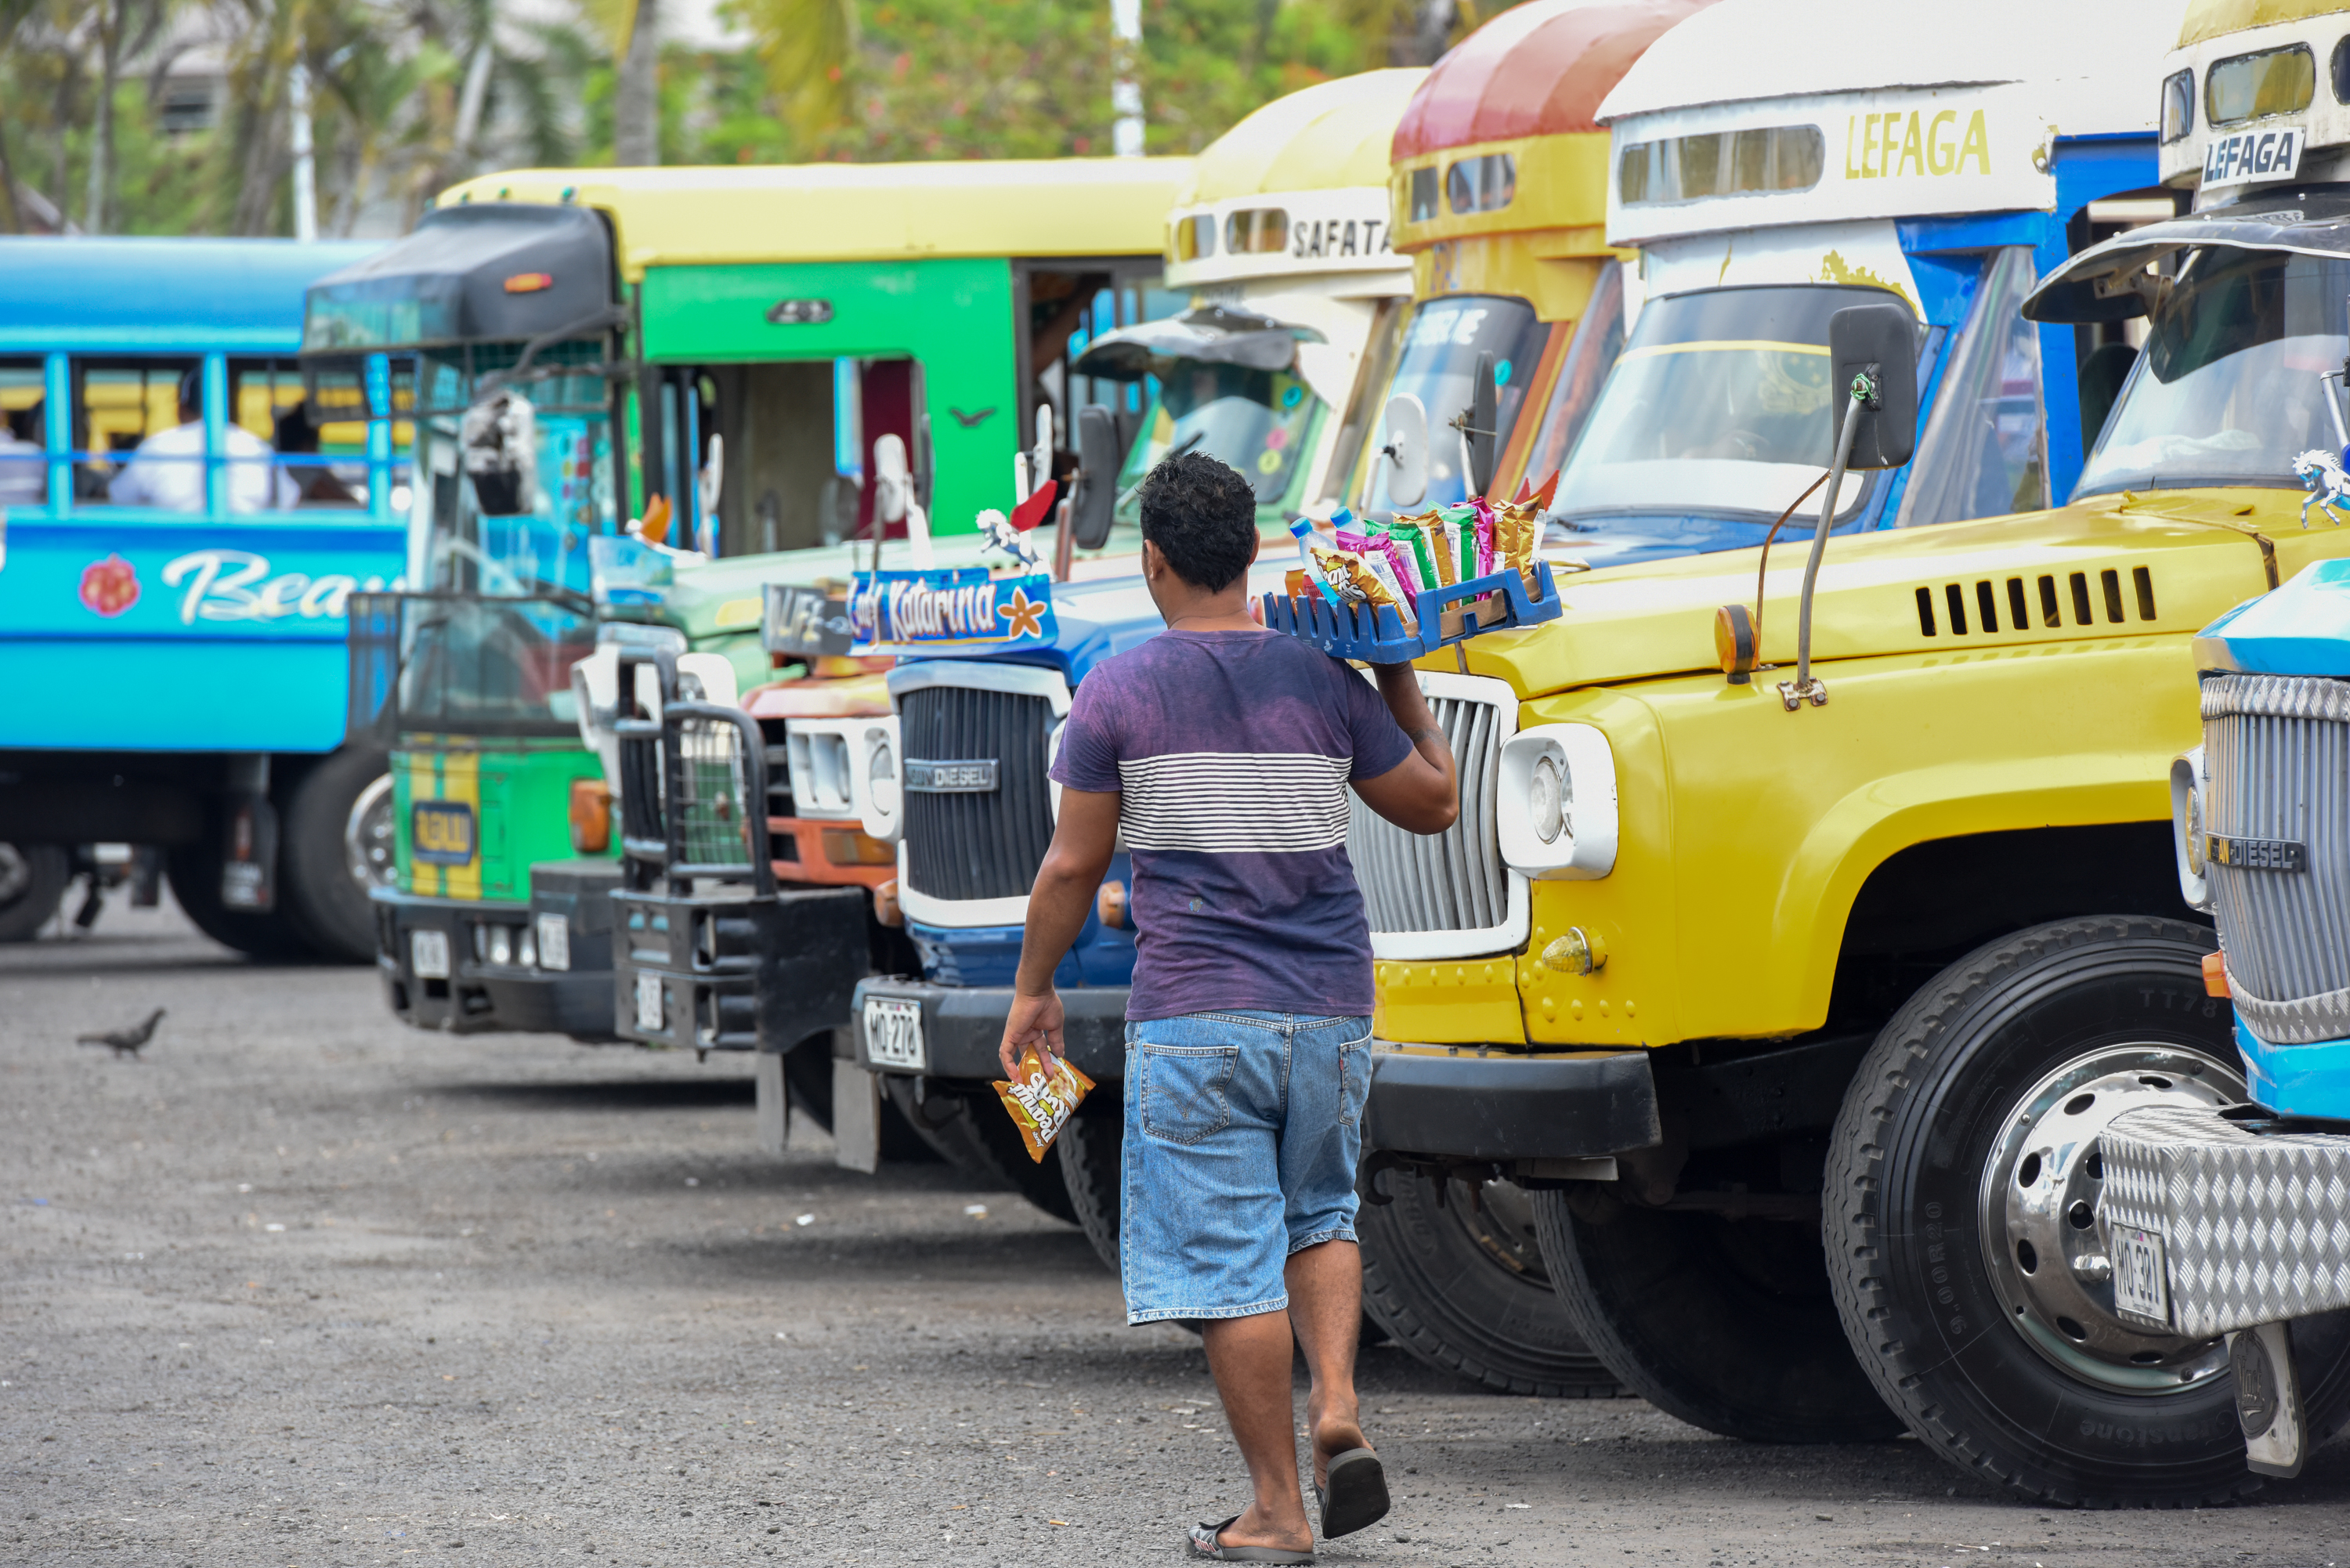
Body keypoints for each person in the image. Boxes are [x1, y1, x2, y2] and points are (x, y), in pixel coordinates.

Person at [999, 451, 1459, 1563]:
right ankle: (1337, 1400)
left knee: (1224, 1263)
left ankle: (1277, 1508)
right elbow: (1435, 803)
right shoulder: (1325, 680)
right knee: (1322, 1216)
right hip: (1331, 1011)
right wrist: (1397, 669)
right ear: (1253, 553)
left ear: (1151, 560)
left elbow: (1071, 868)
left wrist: (1032, 988)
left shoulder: (1117, 690)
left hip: (1199, 1014)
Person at [108, 369, 298, 512]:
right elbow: (289, 500)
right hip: (251, 554)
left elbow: (118, 498)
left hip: (171, 552)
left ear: (181, 409)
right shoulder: (256, 447)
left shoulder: (156, 447)